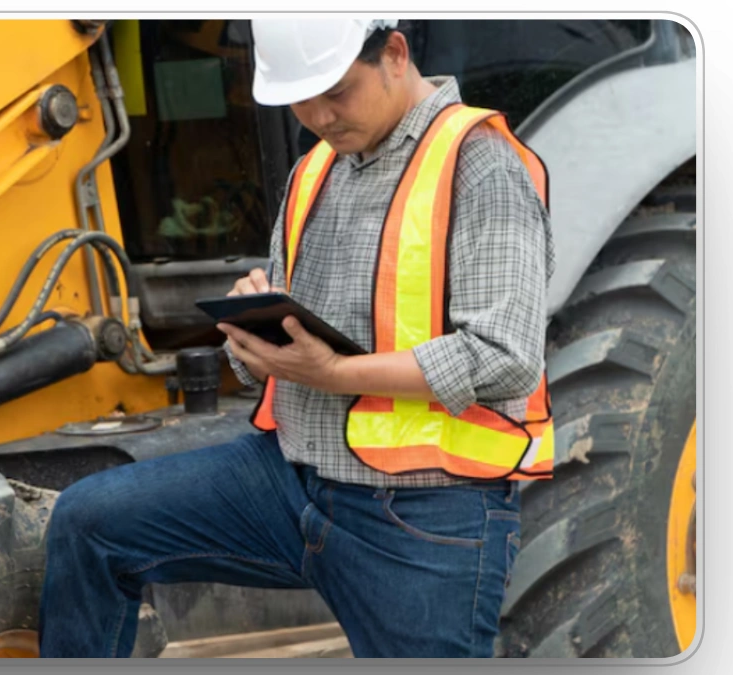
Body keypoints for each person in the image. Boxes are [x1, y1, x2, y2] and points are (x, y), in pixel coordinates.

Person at [36, 17, 556, 659]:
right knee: (90, 524)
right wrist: (252, 331)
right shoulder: (316, 169)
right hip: (290, 480)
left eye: (335, 92)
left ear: (394, 53)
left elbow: (504, 358)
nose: (318, 116)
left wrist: (333, 374)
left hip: (425, 512)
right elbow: (286, 354)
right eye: (299, 100)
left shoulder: (482, 166)